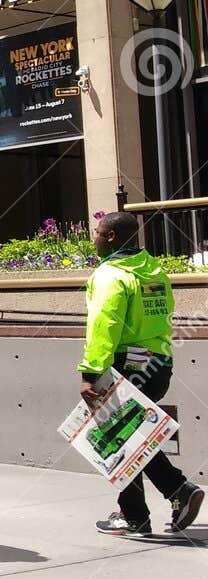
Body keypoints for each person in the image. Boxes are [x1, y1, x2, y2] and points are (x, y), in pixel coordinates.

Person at [83, 211, 203, 536]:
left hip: (124, 364)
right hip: (158, 364)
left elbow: (103, 325)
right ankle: (136, 514)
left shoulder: (110, 275)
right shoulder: (154, 271)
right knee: (130, 436)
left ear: (110, 237)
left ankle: (175, 492)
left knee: (123, 438)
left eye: (97, 232)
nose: (93, 238)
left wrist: (91, 372)